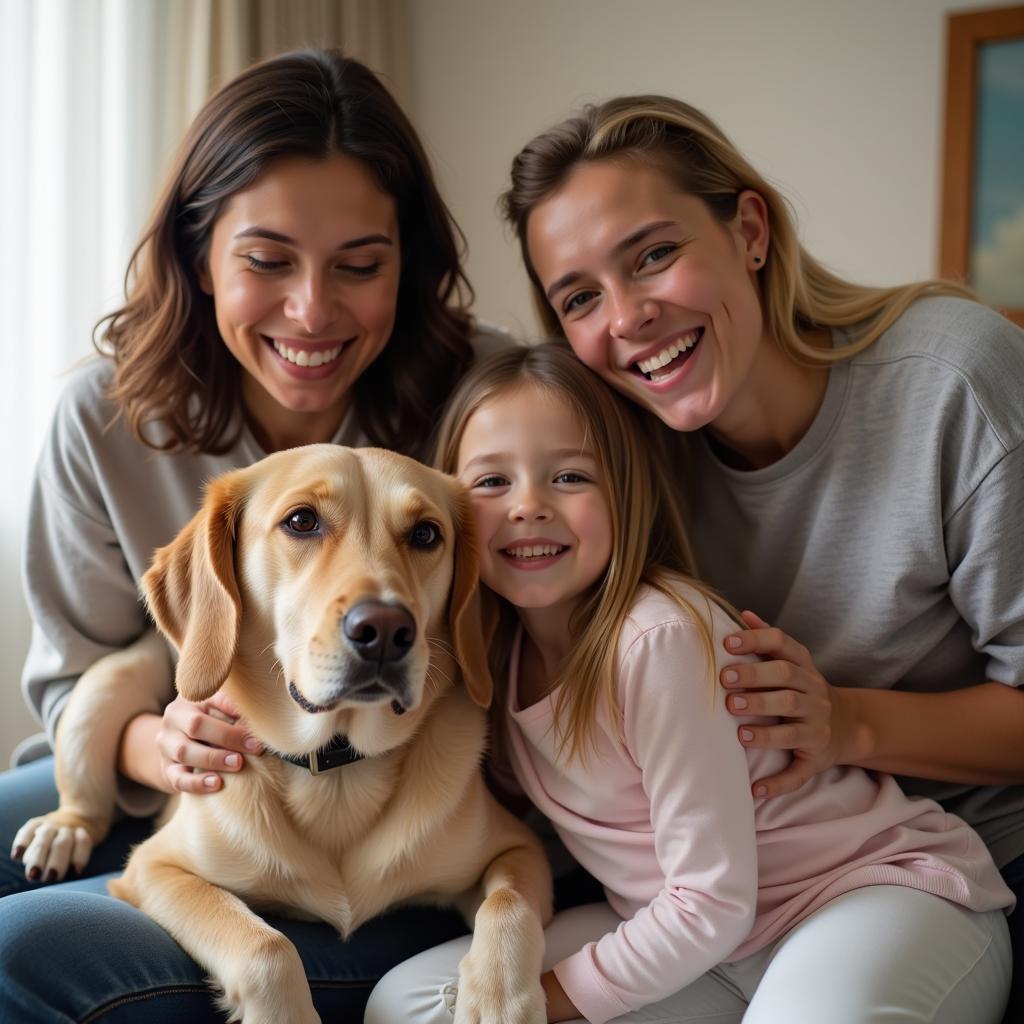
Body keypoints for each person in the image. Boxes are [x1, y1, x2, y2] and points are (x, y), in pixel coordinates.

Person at [0, 48, 505, 1022]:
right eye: (267, 261)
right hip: (144, 768)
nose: (312, 311)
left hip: (378, 818)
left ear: (410, 264)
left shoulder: (484, 406)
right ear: (199, 255)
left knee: (19, 953)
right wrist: (154, 746)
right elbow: (74, 679)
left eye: (361, 266)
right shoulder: (102, 420)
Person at [498, 96, 1024, 1018]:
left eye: (653, 254)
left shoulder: (956, 383)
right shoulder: (621, 467)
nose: (627, 318)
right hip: (733, 886)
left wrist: (849, 725)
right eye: (579, 297)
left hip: (953, 866)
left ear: (749, 229)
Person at [365, 342, 1012, 1023]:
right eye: (492, 483)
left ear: (624, 492)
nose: (529, 506)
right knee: (409, 1006)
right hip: (702, 944)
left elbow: (710, 900)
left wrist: (535, 1004)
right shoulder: (489, 648)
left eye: (570, 478)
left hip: (860, 896)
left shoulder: (657, 638)